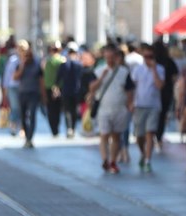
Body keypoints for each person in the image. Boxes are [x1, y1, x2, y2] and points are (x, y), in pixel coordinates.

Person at [89, 44, 134, 174]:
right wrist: (101, 78)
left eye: (112, 57)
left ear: (116, 57)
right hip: (104, 109)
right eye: (107, 57)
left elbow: (129, 90)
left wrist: (130, 104)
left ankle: (113, 161)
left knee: (116, 136)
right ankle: (105, 160)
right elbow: (91, 88)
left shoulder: (124, 72)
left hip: (119, 108)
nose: (109, 60)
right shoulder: (98, 71)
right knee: (104, 135)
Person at [131, 44, 165, 172]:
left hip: (154, 105)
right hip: (140, 104)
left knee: (150, 132)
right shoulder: (138, 69)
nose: (148, 59)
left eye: (150, 56)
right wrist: (131, 102)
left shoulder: (160, 69)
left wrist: (154, 70)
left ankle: (148, 160)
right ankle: (143, 153)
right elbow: (133, 87)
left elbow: (160, 85)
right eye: (146, 56)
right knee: (139, 135)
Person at [14, 44, 47, 148]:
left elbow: (41, 81)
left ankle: (30, 138)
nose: (27, 58)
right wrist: (22, 67)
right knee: (23, 116)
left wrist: (43, 95)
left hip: (34, 94)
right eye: (25, 56)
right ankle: (26, 135)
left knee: (32, 115)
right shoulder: (20, 65)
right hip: (22, 93)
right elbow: (15, 77)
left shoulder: (37, 65)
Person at [153, 40, 179, 152]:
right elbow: (175, 77)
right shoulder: (169, 61)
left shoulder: (153, 62)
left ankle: (153, 135)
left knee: (154, 115)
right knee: (162, 116)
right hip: (166, 92)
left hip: (154, 92)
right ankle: (158, 137)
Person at [56, 41, 82, 138]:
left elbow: (58, 78)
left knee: (67, 110)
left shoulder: (64, 64)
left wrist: (57, 87)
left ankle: (69, 128)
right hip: (75, 91)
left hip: (66, 90)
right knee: (74, 110)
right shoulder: (79, 64)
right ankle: (73, 129)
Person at [43, 41, 65, 136]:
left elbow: (45, 77)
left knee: (51, 109)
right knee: (57, 109)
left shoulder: (48, 61)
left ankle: (54, 129)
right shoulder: (62, 60)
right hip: (59, 87)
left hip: (50, 88)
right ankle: (56, 128)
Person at [2, 41, 23, 136]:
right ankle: (13, 126)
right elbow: (7, 75)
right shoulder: (13, 60)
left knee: (22, 108)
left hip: (23, 87)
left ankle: (22, 127)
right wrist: (5, 88)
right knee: (14, 108)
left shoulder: (26, 60)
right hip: (13, 87)